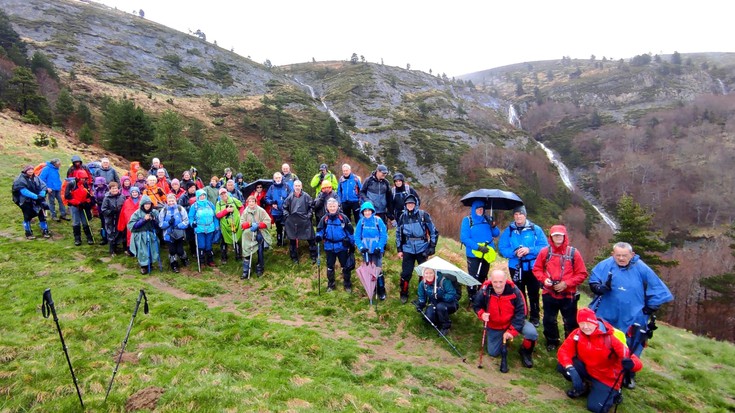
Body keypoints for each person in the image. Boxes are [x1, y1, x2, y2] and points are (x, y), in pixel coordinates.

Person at [589, 242, 673, 389]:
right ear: (612, 254)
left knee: (631, 345)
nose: (621, 258)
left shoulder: (641, 268)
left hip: (633, 316)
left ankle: (628, 375)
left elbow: (658, 288)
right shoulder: (606, 265)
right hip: (606, 312)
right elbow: (593, 280)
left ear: (632, 255)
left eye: (624, 255)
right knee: (602, 340)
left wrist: (649, 307)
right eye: (618, 255)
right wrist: (599, 288)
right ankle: (599, 370)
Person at [557, 308, 642, 413]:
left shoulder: (612, 337)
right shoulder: (577, 333)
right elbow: (564, 351)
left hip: (606, 377)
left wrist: (632, 364)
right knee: (562, 366)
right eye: (581, 323)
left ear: (595, 322)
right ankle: (584, 386)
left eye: (588, 323)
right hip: (587, 368)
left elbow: (635, 361)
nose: (585, 327)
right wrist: (571, 369)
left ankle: (614, 393)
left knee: (596, 408)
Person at [533, 225, 588, 352]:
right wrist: (544, 280)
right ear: (551, 237)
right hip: (549, 293)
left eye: (560, 235)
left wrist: (566, 283)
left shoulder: (573, 253)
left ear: (565, 236)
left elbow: (582, 274)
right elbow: (537, 269)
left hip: (568, 295)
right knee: (549, 319)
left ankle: (571, 344)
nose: (558, 238)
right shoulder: (545, 252)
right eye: (555, 235)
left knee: (570, 321)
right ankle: (552, 341)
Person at [473, 269, 539, 369]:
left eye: (500, 282)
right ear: (491, 280)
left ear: (505, 280)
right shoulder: (485, 290)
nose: (498, 285)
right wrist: (482, 314)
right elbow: (476, 306)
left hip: (513, 321)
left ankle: (525, 351)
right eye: (495, 282)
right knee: (493, 353)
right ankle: (501, 338)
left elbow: (521, 313)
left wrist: (511, 331)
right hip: (494, 325)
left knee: (531, 333)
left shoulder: (514, 291)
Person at [498, 205, 548, 327]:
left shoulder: (535, 229)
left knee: (533, 292)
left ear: (525, 215)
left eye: (520, 214)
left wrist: (529, 250)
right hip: (515, 266)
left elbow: (545, 247)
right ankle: (522, 314)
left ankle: (535, 316)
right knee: (519, 292)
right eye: (516, 214)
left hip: (533, 266)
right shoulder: (509, 231)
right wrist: (514, 252)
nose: (518, 216)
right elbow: (502, 248)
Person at [396, 194, 438, 303]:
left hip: (422, 248)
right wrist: (399, 249)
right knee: (406, 273)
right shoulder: (402, 217)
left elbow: (434, 231)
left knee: (424, 273)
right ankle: (404, 293)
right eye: (408, 203)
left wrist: (432, 246)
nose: (410, 205)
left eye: (412, 203)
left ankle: (423, 295)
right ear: (405, 205)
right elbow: (398, 234)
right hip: (408, 248)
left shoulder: (423, 215)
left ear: (415, 204)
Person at [459, 200, 500, 300]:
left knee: (483, 275)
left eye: (482, 209)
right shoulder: (468, 220)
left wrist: (493, 226)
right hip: (473, 254)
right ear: (474, 209)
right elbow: (464, 238)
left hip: (486, 253)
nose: (480, 211)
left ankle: (482, 295)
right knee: (473, 277)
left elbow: (496, 233)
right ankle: (472, 297)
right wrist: (478, 247)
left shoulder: (487, 219)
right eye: (478, 209)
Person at [316, 198, 355, 292]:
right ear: (327, 207)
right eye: (330, 206)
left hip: (342, 246)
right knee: (330, 267)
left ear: (337, 206)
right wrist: (318, 236)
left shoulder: (343, 218)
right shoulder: (324, 219)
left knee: (345, 266)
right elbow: (319, 230)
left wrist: (352, 244)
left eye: (334, 206)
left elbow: (350, 232)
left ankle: (347, 284)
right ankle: (331, 285)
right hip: (329, 246)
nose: (332, 208)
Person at [355, 201, 388, 300]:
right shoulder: (361, 222)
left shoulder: (378, 221)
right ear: (362, 212)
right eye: (365, 211)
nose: (367, 213)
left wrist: (379, 247)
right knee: (368, 270)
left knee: (378, 270)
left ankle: (381, 290)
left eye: (369, 211)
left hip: (377, 250)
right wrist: (361, 247)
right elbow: (357, 236)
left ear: (372, 211)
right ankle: (372, 289)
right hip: (366, 251)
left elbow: (383, 235)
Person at [414, 267, 459, 335]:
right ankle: (439, 321)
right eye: (426, 273)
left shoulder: (444, 281)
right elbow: (421, 296)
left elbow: (452, 294)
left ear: (435, 273)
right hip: (434, 303)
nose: (429, 275)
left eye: (431, 273)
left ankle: (445, 326)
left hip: (450, 303)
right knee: (429, 317)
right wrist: (420, 304)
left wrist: (442, 296)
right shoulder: (422, 283)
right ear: (423, 274)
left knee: (440, 307)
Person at [282, 180, 317, 264]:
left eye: (299, 186)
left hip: (304, 220)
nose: (297, 187)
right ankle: (294, 258)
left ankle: (313, 256)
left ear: (301, 186)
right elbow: (284, 208)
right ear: (293, 187)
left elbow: (311, 207)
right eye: (296, 186)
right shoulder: (290, 197)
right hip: (294, 222)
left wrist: (308, 216)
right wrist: (288, 217)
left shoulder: (306, 196)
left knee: (311, 238)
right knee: (292, 240)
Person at [12, 165, 51, 239]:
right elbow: (23, 191)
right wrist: (36, 196)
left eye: (32, 169)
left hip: (37, 201)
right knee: (27, 217)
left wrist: (41, 194)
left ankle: (45, 231)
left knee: (42, 216)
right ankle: (28, 233)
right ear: (25, 171)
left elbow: (43, 186)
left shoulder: (36, 178)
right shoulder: (20, 180)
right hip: (25, 201)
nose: (30, 171)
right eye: (29, 170)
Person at [127, 195, 160, 275]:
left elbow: (159, 224)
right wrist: (143, 220)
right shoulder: (137, 213)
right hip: (140, 235)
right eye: (145, 204)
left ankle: (150, 263)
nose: (147, 205)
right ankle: (144, 266)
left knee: (152, 249)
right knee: (142, 251)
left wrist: (153, 220)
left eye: (149, 204)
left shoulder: (155, 212)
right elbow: (132, 225)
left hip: (151, 233)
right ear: (142, 204)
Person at [240, 195, 272, 279]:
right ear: (247, 203)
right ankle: (245, 270)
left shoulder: (261, 210)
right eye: (249, 202)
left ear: (255, 202)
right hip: (248, 234)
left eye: (252, 201)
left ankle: (260, 267)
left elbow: (268, 221)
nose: (251, 203)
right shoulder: (245, 212)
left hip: (260, 231)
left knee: (260, 242)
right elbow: (242, 224)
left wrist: (258, 225)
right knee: (245, 243)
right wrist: (250, 224)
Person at [158, 193, 190, 273]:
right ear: (167, 201)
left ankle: (184, 258)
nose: (171, 203)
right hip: (168, 235)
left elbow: (186, 221)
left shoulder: (180, 209)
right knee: (172, 251)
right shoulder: (164, 210)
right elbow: (160, 224)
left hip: (179, 233)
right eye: (169, 201)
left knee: (180, 250)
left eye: (172, 201)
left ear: (175, 201)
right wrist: (168, 223)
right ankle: (174, 264)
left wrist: (178, 225)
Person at [189, 189, 219, 267]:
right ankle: (201, 261)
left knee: (209, 245)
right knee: (201, 245)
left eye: (204, 195)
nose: (202, 197)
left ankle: (210, 260)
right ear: (197, 196)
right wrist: (192, 224)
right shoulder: (194, 206)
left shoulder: (210, 204)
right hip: (199, 228)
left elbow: (215, 216)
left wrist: (216, 225)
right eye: (200, 195)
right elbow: (191, 217)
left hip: (210, 228)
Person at [215, 187, 244, 263]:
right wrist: (226, 211)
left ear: (227, 193)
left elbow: (241, 207)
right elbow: (218, 215)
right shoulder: (219, 203)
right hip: (225, 226)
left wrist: (240, 215)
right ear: (220, 195)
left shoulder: (233, 200)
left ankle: (238, 256)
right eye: (221, 194)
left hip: (235, 224)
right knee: (223, 241)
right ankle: (224, 257)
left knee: (237, 239)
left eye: (224, 193)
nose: (223, 195)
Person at [65, 174, 95, 246]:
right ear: (78, 178)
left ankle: (89, 237)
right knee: (76, 222)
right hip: (74, 206)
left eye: (84, 178)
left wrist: (87, 202)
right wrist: (78, 203)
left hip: (83, 206)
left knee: (85, 222)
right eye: (82, 178)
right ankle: (77, 238)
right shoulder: (71, 184)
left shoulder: (85, 184)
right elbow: (67, 196)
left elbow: (88, 195)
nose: (83, 180)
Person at [265, 172, 291, 247]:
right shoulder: (272, 187)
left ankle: (287, 239)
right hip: (276, 211)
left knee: (287, 225)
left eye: (279, 177)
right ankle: (279, 241)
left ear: (281, 178)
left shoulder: (287, 186)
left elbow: (291, 196)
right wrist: (272, 203)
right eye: (276, 178)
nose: (278, 179)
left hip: (286, 210)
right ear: (274, 179)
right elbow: (267, 198)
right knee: (278, 227)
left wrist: (287, 204)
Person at [100, 182, 126, 256]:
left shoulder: (122, 196)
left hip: (120, 217)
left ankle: (119, 246)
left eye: (116, 188)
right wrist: (111, 212)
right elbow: (103, 210)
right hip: (110, 218)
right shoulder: (107, 198)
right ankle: (112, 250)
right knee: (111, 233)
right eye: (113, 188)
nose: (115, 190)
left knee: (120, 231)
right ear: (110, 189)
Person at [118, 186, 142, 255]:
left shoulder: (142, 200)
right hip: (130, 224)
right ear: (130, 193)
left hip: (140, 222)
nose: (134, 194)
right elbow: (122, 213)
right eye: (133, 192)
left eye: (136, 192)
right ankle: (131, 250)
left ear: (138, 193)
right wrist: (121, 225)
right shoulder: (126, 202)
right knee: (130, 236)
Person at [178, 182, 198, 256]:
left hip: (197, 217)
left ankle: (199, 249)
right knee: (191, 235)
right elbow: (180, 208)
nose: (193, 189)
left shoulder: (198, 195)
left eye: (194, 187)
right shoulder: (183, 197)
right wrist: (190, 207)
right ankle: (193, 250)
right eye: (191, 187)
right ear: (188, 188)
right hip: (188, 218)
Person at [92, 176, 109, 244]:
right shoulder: (96, 190)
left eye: (100, 184)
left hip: (107, 208)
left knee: (109, 223)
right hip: (100, 208)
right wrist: (94, 200)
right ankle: (104, 238)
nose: (99, 185)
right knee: (103, 223)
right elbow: (95, 197)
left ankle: (110, 237)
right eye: (98, 184)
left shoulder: (107, 189)